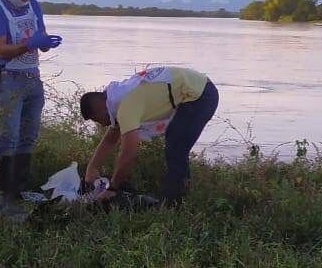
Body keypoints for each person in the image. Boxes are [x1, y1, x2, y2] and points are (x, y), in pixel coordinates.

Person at [0, 0, 62, 215]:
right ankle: (4, 193)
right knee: (10, 135)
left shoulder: (34, 6)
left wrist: (46, 43)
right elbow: (0, 50)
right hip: (8, 78)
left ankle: (20, 189)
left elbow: (41, 38)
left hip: (33, 78)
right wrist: (29, 44)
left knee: (29, 134)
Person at [79, 65, 219, 205]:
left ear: (99, 109)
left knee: (175, 146)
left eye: (96, 120)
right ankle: (176, 195)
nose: (102, 124)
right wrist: (92, 168)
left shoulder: (125, 106)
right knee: (175, 142)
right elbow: (111, 139)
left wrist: (113, 188)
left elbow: (128, 153)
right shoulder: (117, 98)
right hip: (196, 87)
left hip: (199, 94)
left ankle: (174, 203)